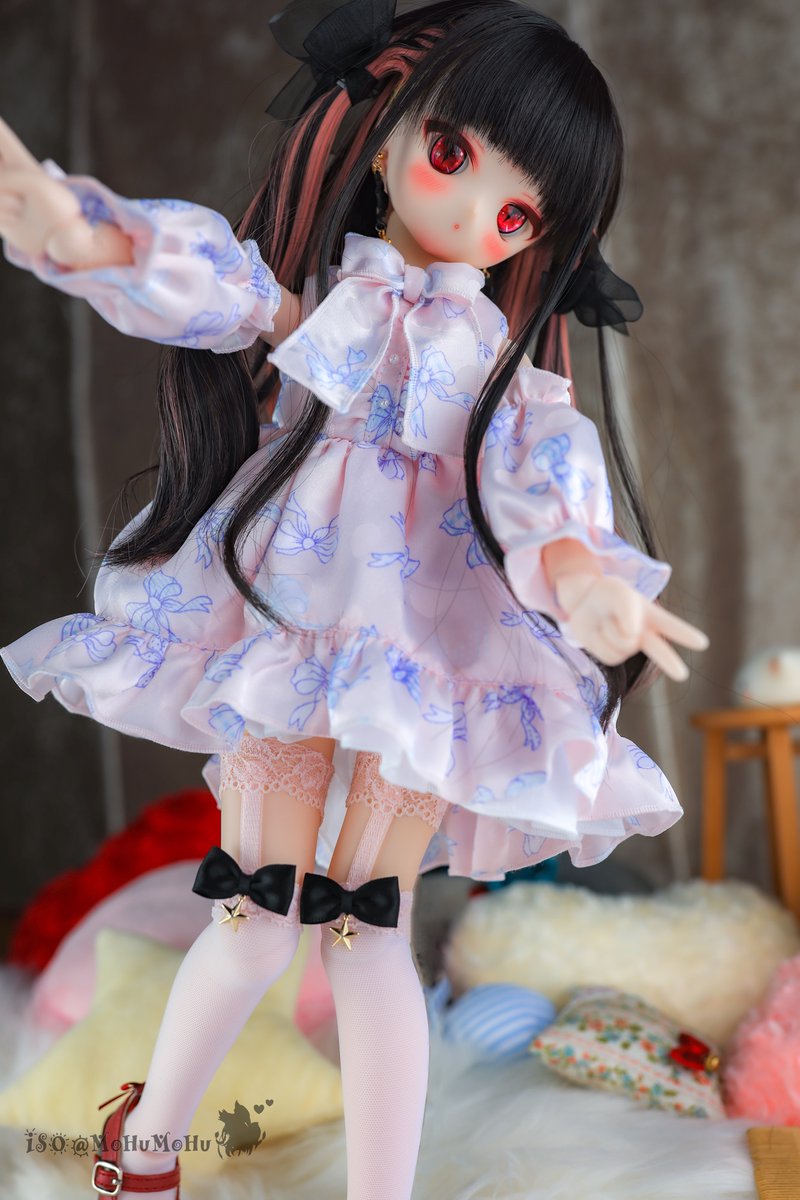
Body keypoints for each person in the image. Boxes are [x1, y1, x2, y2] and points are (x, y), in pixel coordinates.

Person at [0, 2, 709, 1196]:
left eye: (516, 213)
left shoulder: (496, 372)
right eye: (451, 153)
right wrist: (91, 235)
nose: (472, 212)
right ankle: (147, 1147)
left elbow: (532, 475)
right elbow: (220, 293)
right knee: (254, 917)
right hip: (296, 618)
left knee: (370, 932)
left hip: (428, 651)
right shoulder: (329, 302)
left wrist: (582, 578)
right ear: (384, 137)